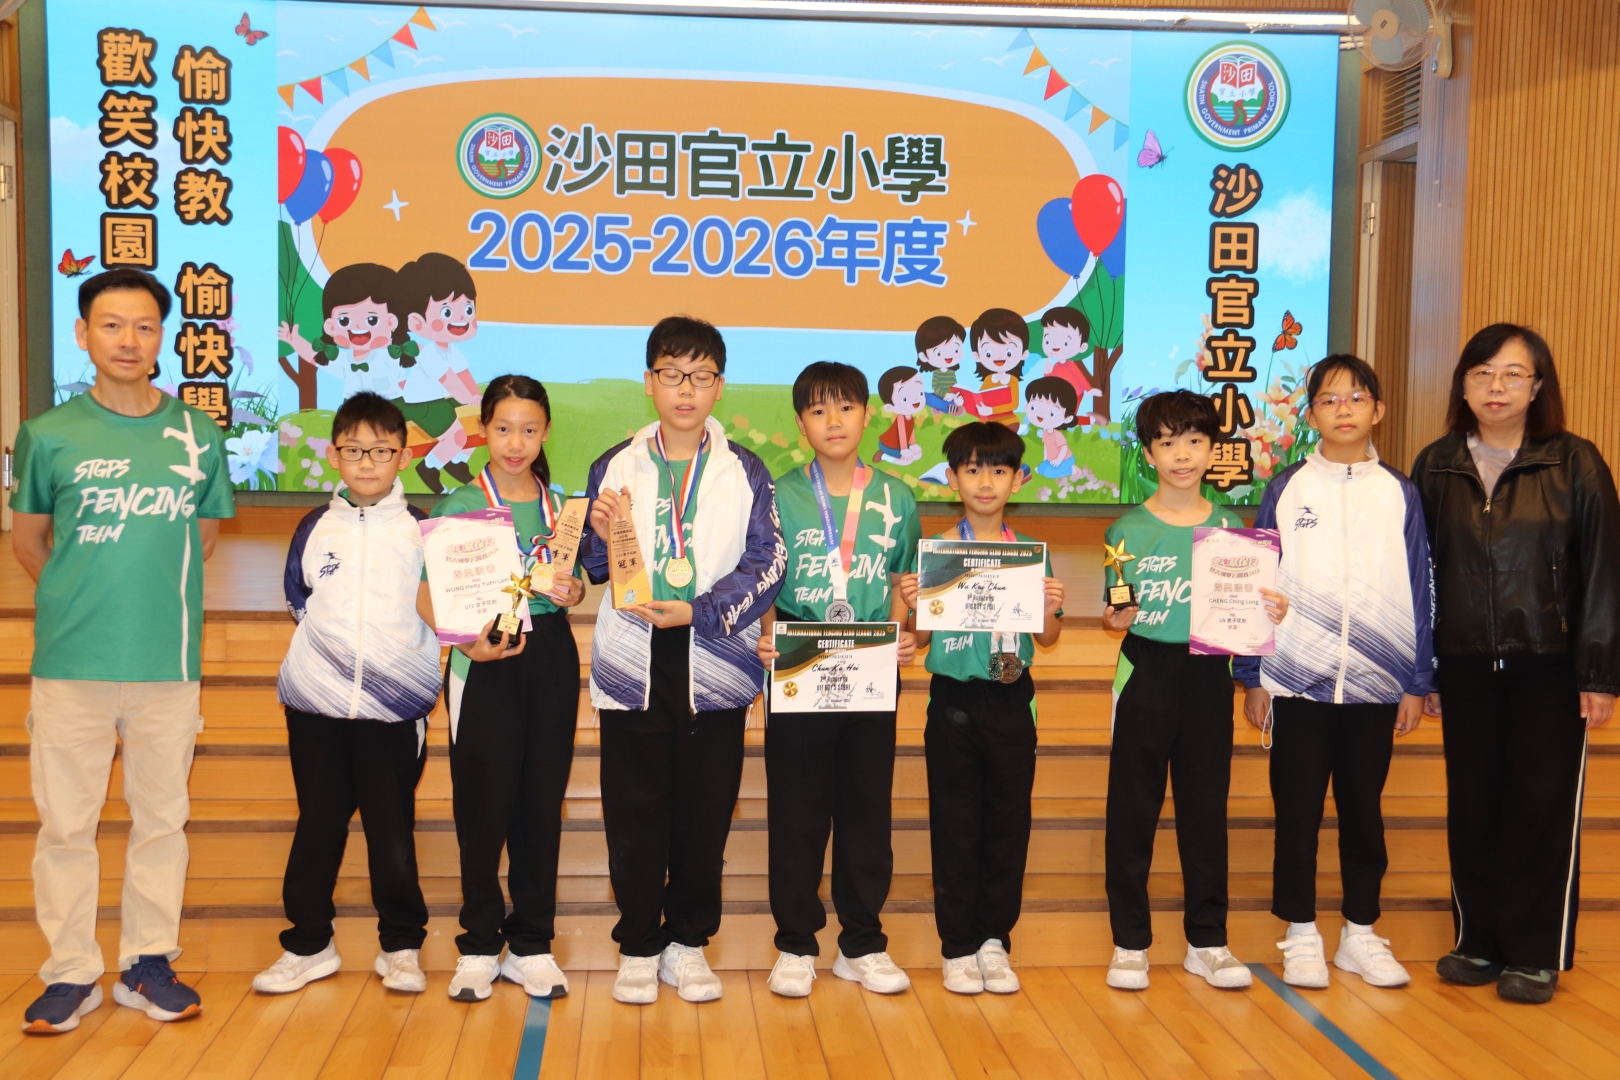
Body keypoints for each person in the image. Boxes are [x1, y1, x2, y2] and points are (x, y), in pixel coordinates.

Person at [15, 269, 235, 1032]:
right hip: (70, 665)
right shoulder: (48, 434)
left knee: (161, 821)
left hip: (166, 663)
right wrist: (82, 600)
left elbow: (202, 540)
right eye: (111, 325)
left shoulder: (198, 434)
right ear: (83, 334)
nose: (128, 340)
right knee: (65, 827)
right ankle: (71, 973)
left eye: (144, 326)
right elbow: (29, 542)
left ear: (162, 336)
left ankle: (146, 964)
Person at [1412, 324, 1620, 1005]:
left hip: (1549, 666)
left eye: (1511, 374)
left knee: (1540, 808)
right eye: (1481, 374)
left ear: (1537, 386)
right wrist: (1425, 669)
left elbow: (1603, 572)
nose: (1495, 387)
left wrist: (1598, 673)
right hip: (1465, 663)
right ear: (1463, 386)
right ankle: (1478, 940)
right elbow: (1419, 575)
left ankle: (1533, 952)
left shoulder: (1575, 462)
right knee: (1473, 805)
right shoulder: (1437, 464)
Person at [581, 316, 786, 1005]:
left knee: (704, 813)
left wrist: (698, 611)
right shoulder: (614, 464)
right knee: (634, 811)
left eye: (701, 376)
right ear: (650, 382)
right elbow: (593, 566)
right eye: (672, 374)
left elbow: (768, 562)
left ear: (719, 387)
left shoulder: (745, 470)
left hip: (714, 658)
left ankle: (689, 944)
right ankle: (639, 945)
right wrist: (598, 533)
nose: (686, 389)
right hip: (633, 657)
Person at [1234, 356, 1433, 990]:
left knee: (1363, 813)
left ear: (1378, 410)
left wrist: (1417, 680)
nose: (1343, 408)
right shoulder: (1288, 487)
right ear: (1311, 413)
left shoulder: (1400, 492)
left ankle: (1360, 932)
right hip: (1296, 679)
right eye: (1328, 398)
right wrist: (1252, 674)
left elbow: (1420, 587)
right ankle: (1299, 932)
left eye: (1356, 397)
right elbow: (1257, 579)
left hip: (1377, 682)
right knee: (1296, 813)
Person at [253, 392, 442, 997]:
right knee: (318, 825)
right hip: (316, 704)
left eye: (381, 451)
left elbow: (440, 610)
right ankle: (309, 945)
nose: (367, 462)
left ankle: (401, 945)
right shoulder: (314, 527)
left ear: (403, 457)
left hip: (395, 707)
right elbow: (298, 599)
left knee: (392, 831)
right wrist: (330, 667)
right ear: (334, 456)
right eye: (354, 450)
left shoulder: (423, 530)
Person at [1100, 390, 1276, 991]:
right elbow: (1117, 608)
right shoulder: (1125, 529)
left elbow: (1247, 614)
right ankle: (1129, 943)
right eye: (1167, 442)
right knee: (1132, 811)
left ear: (1212, 449)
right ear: (1148, 453)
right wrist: (1115, 620)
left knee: (1205, 810)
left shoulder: (1232, 529)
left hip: (1208, 675)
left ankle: (1208, 941)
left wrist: (1270, 610)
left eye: (1195, 441)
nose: (1182, 454)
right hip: (1145, 671)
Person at [755, 362, 921, 999]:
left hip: (871, 662)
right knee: (797, 811)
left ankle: (862, 943)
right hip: (800, 657)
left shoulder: (898, 498)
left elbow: (905, 580)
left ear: (866, 416)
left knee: (865, 808)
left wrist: (906, 633)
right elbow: (763, 577)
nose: (833, 421)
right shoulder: (777, 495)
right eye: (818, 410)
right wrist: (768, 636)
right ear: (801, 423)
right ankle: (795, 944)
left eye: (845, 408)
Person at [427, 375, 588, 1002]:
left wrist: (573, 591)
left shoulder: (562, 509)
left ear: (545, 433)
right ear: (483, 431)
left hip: (550, 656)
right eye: (502, 429)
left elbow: (573, 583)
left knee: (540, 803)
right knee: (482, 804)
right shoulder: (459, 503)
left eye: (528, 430)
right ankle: (477, 944)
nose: (515, 443)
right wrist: (467, 645)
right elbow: (427, 593)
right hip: (483, 658)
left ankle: (531, 944)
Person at [898, 422, 1064, 995]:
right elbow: (918, 639)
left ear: (1018, 479)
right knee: (955, 824)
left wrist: (1050, 605)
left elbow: (1046, 639)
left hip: (1012, 697)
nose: (985, 481)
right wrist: (913, 603)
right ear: (952, 479)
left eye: (998, 470)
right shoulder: (938, 550)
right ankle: (956, 945)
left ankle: (994, 939)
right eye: (972, 469)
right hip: (953, 700)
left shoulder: (1030, 553)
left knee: (1008, 823)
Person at [395, 252, 483, 493]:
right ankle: (429, 467)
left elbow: (464, 375)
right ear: (416, 322)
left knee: (481, 419)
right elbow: (449, 380)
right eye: (447, 312)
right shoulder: (428, 353)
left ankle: (457, 462)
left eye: (468, 308)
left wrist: (477, 397)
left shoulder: (451, 350)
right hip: (422, 404)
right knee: (457, 436)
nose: (461, 318)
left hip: (440, 399)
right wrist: (467, 398)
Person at [278, 262, 414, 407]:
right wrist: (295, 340)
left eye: (372, 320)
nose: (358, 326)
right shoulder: (345, 360)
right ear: (330, 327)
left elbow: (403, 381)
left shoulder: (390, 355)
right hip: (352, 408)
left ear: (391, 322)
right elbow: (314, 358)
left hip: (389, 405)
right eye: (344, 320)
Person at [914, 315, 966, 416]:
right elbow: (935, 387)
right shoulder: (937, 373)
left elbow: (954, 385)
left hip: (951, 397)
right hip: (940, 396)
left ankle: (948, 407)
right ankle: (946, 407)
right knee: (926, 396)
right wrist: (944, 394)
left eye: (956, 350)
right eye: (938, 353)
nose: (949, 355)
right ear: (923, 356)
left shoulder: (951, 372)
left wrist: (954, 395)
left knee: (960, 400)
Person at [874, 366, 926, 466]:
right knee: (906, 461)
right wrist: (904, 450)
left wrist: (913, 445)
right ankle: (883, 455)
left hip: (901, 445)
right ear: (889, 407)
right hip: (888, 445)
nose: (916, 399)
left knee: (917, 455)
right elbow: (902, 434)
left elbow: (910, 431)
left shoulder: (910, 416)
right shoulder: (901, 418)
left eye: (920, 393)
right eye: (904, 399)